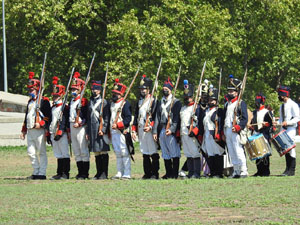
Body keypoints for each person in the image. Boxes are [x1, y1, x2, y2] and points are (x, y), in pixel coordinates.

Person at [20, 72, 51, 179]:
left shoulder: (44, 101)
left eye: (32, 90)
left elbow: (48, 117)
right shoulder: (30, 102)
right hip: (30, 130)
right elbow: (26, 116)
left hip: (39, 130)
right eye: (29, 90)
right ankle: (36, 170)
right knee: (31, 152)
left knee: (41, 152)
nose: (30, 92)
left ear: (37, 89)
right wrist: (23, 130)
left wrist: (41, 123)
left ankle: (42, 172)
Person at [153, 77, 181, 179]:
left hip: (171, 130)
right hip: (162, 129)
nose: (165, 89)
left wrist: (172, 129)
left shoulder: (176, 102)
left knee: (174, 152)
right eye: (164, 88)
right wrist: (155, 131)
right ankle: (168, 173)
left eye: (167, 88)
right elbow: (157, 117)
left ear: (170, 90)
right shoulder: (160, 102)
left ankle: (175, 173)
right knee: (165, 152)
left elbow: (177, 118)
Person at [132, 75, 159, 179]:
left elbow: (156, 117)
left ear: (148, 89)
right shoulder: (140, 101)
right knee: (144, 151)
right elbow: (136, 117)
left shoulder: (153, 101)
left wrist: (151, 127)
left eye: (144, 89)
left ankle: (154, 173)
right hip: (141, 128)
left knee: (153, 151)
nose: (142, 91)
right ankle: (147, 172)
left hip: (149, 129)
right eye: (141, 89)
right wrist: (134, 130)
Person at [222, 75, 248, 178]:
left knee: (238, 150)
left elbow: (244, 119)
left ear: (237, 92)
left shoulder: (241, 103)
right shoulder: (226, 104)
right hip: (228, 129)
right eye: (229, 91)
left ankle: (243, 170)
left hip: (236, 130)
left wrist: (238, 127)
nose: (230, 93)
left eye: (232, 91)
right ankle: (236, 170)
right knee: (231, 152)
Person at [86, 80, 111, 180]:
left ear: (100, 91)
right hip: (92, 129)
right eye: (93, 89)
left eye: (96, 89)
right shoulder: (90, 102)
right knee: (96, 151)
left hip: (100, 129)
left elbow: (106, 118)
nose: (94, 91)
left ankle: (104, 173)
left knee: (103, 151)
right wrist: (87, 132)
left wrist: (103, 129)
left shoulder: (104, 102)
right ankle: (98, 172)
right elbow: (88, 118)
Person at [274, 85, 300, 176]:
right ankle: (287, 169)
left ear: (284, 95)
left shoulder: (293, 105)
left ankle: (291, 170)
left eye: (280, 95)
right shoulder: (282, 106)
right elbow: (281, 119)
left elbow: (297, 118)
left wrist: (287, 122)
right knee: (285, 148)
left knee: (290, 149)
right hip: (283, 129)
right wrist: (277, 123)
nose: (279, 97)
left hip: (291, 129)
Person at [110, 78, 133, 179]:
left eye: (116, 94)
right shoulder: (111, 104)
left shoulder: (125, 104)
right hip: (113, 131)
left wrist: (119, 125)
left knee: (124, 152)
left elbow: (128, 118)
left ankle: (127, 173)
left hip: (122, 131)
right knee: (118, 152)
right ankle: (119, 172)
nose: (114, 95)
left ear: (121, 94)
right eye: (113, 93)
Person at [48, 76, 70, 180]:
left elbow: (64, 120)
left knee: (65, 153)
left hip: (61, 134)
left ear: (61, 96)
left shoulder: (64, 107)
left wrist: (60, 132)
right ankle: (59, 172)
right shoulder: (53, 107)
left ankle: (65, 173)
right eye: (54, 96)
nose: (54, 98)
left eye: (57, 96)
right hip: (53, 132)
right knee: (58, 154)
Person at [69, 72, 89, 179]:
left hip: (81, 127)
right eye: (72, 90)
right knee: (76, 150)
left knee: (83, 150)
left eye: (75, 89)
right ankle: (79, 171)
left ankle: (85, 173)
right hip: (72, 126)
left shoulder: (84, 101)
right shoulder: (71, 101)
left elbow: (86, 116)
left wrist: (81, 123)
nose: (73, 92)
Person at [201, 86, 225, 178]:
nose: (211, 101)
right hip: (207, 134)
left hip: (215, 134)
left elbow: (221, 123)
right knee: (210, 154)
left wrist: (220, 134)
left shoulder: (219, 111)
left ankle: (219, 173)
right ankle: (213, 172)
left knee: (217, 153)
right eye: (210, 100)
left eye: (213, 100)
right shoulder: (206, 111)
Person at [179, 80, 201, 178]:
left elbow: (199, 122)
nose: (187, 99)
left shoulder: (196, 108)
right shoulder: (183, 108)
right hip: (184, 133)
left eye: (189, 97)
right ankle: (191, 172)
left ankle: (196, 173)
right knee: (188, 153)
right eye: (186, 97)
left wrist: (195, 131)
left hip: (192, 133)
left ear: (193, 97)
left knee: (195, 153)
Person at [249, 93, 273, 176]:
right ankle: (259, 171)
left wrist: (266, 124)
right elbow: (252, 123)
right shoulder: (254, 112)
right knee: (257, 153)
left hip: (265, 134)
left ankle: (266, 171)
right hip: (256, 134)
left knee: (265, 155)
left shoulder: (267, 112)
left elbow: (271, 124)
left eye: (259, 102)